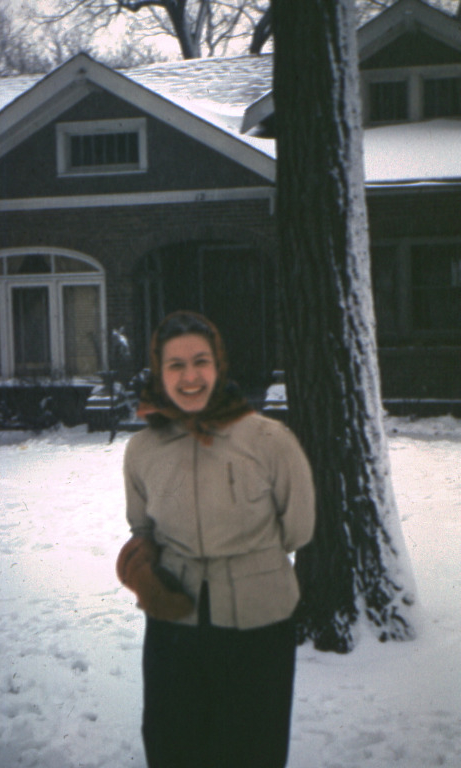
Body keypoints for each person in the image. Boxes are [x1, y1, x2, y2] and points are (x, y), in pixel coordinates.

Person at [116, 311, 315, 768]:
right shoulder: (142, 451)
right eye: (175, 365)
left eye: (200, 361)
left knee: (251, 749)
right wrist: (143, 572)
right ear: (158, 372)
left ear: (219, 365)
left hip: (258, 625)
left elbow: (298, 527)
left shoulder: (269, 441)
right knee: (173, 747)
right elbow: (142, 528)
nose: (190, 376)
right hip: (175, 623)